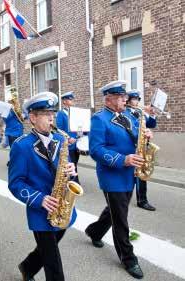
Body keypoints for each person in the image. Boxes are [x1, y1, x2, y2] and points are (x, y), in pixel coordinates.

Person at [85, 81, 153, 279]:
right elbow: (96, 150)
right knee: (121, 218)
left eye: (125, 96)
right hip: (111, 175)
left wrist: (146, 135)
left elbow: (136, 139)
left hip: (129, 173)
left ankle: (94, 232)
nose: (126, 99)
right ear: (108, 99)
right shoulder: (99, 119)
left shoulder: (130, 116)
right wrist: (123, 159)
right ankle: (128, 258)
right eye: (121, 97)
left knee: (116, 210)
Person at [8, 92, 77, 281]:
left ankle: (27, 267)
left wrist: (72, 171)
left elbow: (68, 172)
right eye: (46, 114)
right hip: (40, 210)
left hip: (62, 206)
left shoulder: (61, 140)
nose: (51, 118)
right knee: (52, 260)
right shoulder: (22, 146)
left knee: (47, 248)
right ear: (32, 117)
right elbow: (15, 184)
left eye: (52, 113)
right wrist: (40, 199)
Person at [126, 90, 157, 211]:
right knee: (133, 175)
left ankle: (142, 200)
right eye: (135, 99)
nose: (137, 102)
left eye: (138, 99)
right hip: (132, 147)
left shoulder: (141, 112)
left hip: (142, 146)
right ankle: (126, 198)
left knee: (142, 174)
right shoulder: (126, 112)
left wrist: (152, 114)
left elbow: (152, 124)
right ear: (128, 100)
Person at [56, 92, 80, 183]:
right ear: (65, 101)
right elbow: (59, 129)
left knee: (75, 163)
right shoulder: (61, 114)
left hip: (76, 143)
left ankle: (72, 180)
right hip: (68, 143)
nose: (72, 101)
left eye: (72, 99)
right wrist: (69, 138)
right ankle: (74, 181)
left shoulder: (74, 112)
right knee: (71, 163)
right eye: (70, 99)